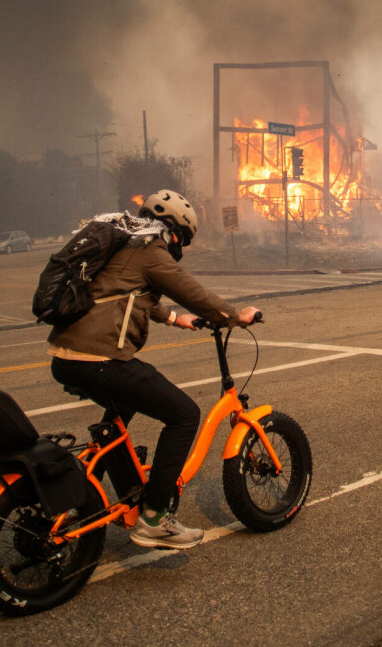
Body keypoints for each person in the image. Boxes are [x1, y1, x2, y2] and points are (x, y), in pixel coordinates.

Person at [48, 189, 260, 550]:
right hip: (99, 358)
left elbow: (129, 292)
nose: (181, 247)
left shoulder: (128, 242)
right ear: (175, 230)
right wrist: (234, 315)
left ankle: (106, 483)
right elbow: (187, 288)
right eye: (183, 239)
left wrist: (178, 320)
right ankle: (154, 518)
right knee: (183, 413)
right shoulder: (151, 248)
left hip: (66, 357)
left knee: (122, 405)